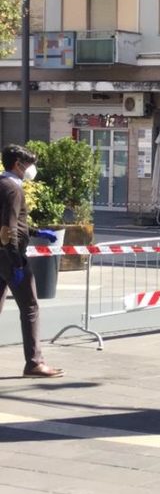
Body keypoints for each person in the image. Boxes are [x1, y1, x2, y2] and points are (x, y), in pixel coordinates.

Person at [0, 145, 64, 378]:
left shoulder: (1, 184)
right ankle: (34, 362)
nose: (31, 170)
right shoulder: (13, 189)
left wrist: (35, 231)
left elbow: (13, 224)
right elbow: (8, 229)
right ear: (17, 164)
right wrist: (16, 263)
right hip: (10, 257)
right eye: (28, 164)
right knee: (30, 308)